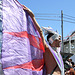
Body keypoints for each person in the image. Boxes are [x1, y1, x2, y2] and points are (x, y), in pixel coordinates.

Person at [23, 5, 64, 75]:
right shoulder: (47, 49)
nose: (60, 41)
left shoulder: (57, 51)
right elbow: (40, 32)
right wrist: (32, 16)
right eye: (58, 39)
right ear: (53, 40)